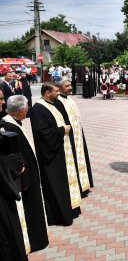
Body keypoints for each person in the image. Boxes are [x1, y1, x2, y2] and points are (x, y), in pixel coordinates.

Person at [30, 83, 81, 226]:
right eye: (56, 91)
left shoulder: (52, 103)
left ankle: (70, 210)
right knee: (55, 184)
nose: (59, 93)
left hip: (61, 151)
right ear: (47, 93)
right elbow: (43, 134)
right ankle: (59, 216)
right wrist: (61, 130)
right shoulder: (38, 109)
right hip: (50, 155)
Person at [2, 95, 49, 252]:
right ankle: (35, 241)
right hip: (25, 181)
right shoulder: (9, 127)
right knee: (30, 211)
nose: (28, 109)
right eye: (27, 107)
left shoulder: (13, 123)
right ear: (20, 110)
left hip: (29, 176)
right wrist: (25, 181)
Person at [54, 80, 94, 196]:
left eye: (70, 85)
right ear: (59, 88)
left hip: (78, 134)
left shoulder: (69, 98)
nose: (70, 88)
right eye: (66, 86)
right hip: (70, 136)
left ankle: (84, 185)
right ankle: (78, 187)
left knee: (82, 158)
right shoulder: (58, 101)